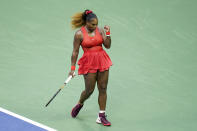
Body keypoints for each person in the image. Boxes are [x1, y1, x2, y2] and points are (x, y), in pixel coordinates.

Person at [68, 9, 112, 126]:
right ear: (86, 23)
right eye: (93, 24)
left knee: (103, 88)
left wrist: (108, 33)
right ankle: (80, 103)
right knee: (89, 90)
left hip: (102, 60)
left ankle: (101, 116)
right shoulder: (79, 34)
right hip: (89, 63)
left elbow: (107, 46)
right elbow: (75, 52)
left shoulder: (100, 30)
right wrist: (72, 69)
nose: (96, 26)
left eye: (97, 24)